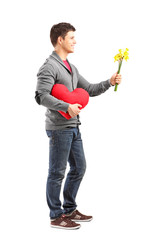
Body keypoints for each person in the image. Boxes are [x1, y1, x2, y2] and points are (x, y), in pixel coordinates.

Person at [35, 22, 122, 230]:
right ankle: (56, 216)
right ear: (60, 40)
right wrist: (66, 105)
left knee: (79, 167)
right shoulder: (49, 66)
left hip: (74, 126)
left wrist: (109, 82)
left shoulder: (71, 68)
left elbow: (89, 90)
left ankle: (69, 209)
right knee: (57, 172)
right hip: (58, 127)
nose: (75, 41)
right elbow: (40, 96)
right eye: (72, 37)